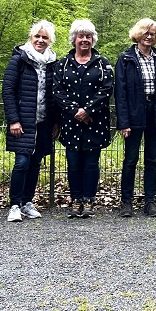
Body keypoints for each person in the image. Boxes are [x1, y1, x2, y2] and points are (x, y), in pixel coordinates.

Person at [114, 18, 156, 218]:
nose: (149, 37)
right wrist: (123, 122)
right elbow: (120, 92)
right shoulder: (126, 59)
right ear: (138, 34)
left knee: (152, 160)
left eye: (153, 34)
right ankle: (127, 202)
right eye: (146, 33)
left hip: (155, 113)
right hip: (134, 113)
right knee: (130, 159)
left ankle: (150, 202)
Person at [54, 19, 115, 218]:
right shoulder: (63, 64)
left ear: (93, 39)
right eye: (81, 36)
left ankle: (89, 200)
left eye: (88, 36)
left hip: (95, 121)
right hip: (71, 122)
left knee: (91, 163)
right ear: (74, 39)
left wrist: (88, 110)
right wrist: (75, 111)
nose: (84, 40)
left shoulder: (103, 63)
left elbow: (107, 89)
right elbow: (57, 90)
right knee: (73, 163)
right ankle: (76, 199)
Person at [2, 20, 59, 223]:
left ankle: (27, 202)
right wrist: (13, 120)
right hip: (23, 121)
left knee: (35, 162)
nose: (40, 40)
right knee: (22, 162)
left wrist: (56, 122)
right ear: (31, 37)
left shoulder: (54, 63)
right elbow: (8, 91)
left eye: (45, 37)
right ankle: (14, 205)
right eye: (37, 36)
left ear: (50, 40)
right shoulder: (19, 59)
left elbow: (56, 95)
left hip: (44, 122)